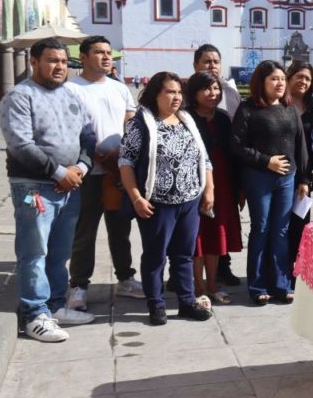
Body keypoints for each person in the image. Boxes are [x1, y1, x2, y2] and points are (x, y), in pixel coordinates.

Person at [0, 38, 97, 341]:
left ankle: (55, 306)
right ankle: (34, 314)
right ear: (34, 61)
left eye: (64, 62)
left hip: (70, 186)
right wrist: (58, 172)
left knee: (60, 251)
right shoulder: (20, 96)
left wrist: (80, 168)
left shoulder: (71, 95)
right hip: (34, 187)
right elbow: (21, 145)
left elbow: (88, 135)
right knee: (34, 252)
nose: (59, 67)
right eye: (52, 60)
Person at [119, 71, 213, 325]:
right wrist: (136, 197)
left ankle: (186, 301)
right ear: (155, 95)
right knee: (155, 255)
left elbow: (203, 158)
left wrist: (209, 190)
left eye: (179, 92)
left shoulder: (186, 120)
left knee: (184, 254)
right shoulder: (141, 124)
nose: (176, 97)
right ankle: (156, 304)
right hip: (157, 203)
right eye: (170, 92)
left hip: (189, 200)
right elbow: (125, 162)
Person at [66, 36, 144, 312]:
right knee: (84, 231)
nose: (106, 57)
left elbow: (131, 125)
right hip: (85, 172)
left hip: (117, 171)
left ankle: (125, 278)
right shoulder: (71, 88)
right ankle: (79, 285)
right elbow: (67, 129)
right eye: (98, 52)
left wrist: (120, 154)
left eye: (108, 52)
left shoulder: (119, 88)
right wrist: (91, 154)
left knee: (120, 229)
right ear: (83, 57)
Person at [231, 60, 309, 305]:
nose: (280, 83)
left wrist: (303, 178)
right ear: (261, 82)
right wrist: (266, 161)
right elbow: (236, 146)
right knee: (261, 229)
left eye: (282, 79)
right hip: (259, 178)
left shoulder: (289, 109)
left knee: (282, 231)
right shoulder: (248, 109)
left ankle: (281, 283)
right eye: (274, 79)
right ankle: (257, 285)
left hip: (287, 179)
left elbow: (300, 145)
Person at [185, 71, 242, 306]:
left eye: (216, 88)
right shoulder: (185, 117)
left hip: (222, 183)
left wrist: (239, 187)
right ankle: (197, 286)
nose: (213, 93)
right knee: (197, 236)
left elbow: (232, 153)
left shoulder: (222, 117)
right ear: (195, 93)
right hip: (194, 184)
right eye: (207, 89)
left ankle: (212, 284)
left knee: (216, 235)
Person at [285, 61, 313, 285]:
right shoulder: (280, 104)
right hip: (282, 172)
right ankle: (277, 271)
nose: (303, 81)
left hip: (305, 175)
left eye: (307, 78)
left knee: (299, 224)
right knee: (278, 226)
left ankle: (295, 272)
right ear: (289, 77)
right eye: (299, 76)